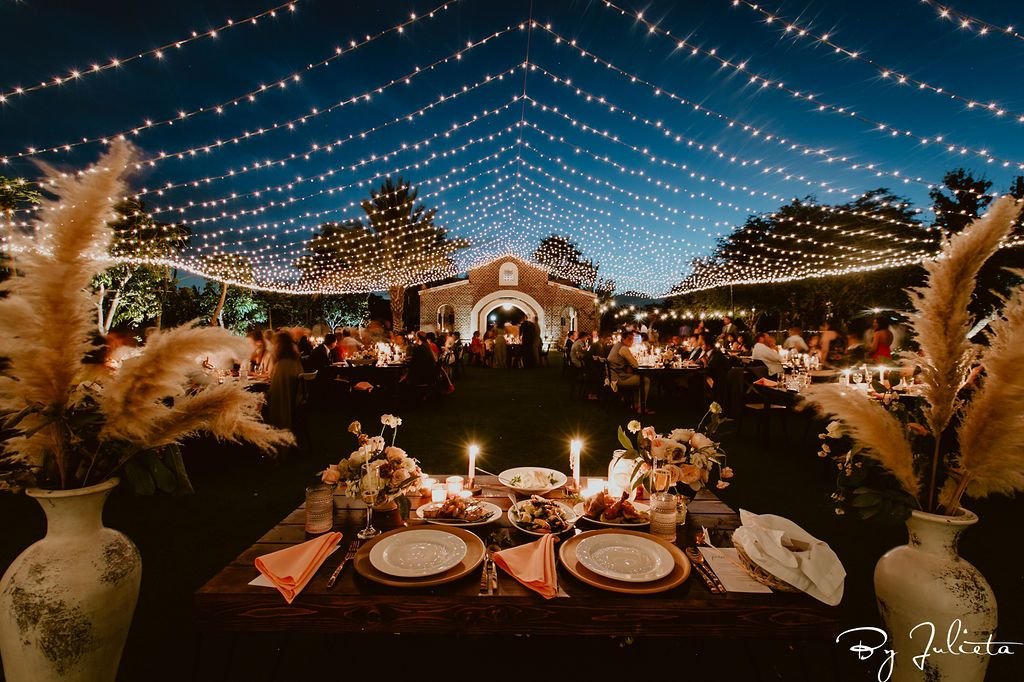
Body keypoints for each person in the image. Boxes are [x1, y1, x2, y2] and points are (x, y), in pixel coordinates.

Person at [265, 332, 303, 431]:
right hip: (296, 402)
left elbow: (276, 394)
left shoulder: (282, 366)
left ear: (279, 346)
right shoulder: (294, 361)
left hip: (285, 406)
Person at [607, 332, 651, 414]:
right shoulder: (623, 349)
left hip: (613, 376)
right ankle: (641, 408)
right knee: (645, 380)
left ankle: (636, 405)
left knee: (637, 377)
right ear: (623, 339)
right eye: (629, 339)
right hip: (617, 379)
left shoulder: (617, 345)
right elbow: (635, 364)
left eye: (632, 339)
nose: (631, 341)